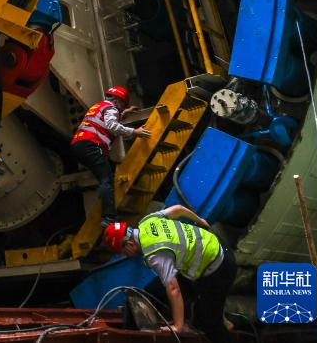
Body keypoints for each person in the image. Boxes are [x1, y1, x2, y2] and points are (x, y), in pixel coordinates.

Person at [103, 206, 237, 342]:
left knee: (208, 326)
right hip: (213, 246)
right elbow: (178, 209)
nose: (127, 255)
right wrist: (200, 221)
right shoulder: (147, 221)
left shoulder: (154, 253)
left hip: (219, 268)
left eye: (124, 252)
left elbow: (173, 289)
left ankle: (217, 322)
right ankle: (217, 316)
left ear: (130, 244)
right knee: (152, 293)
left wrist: (177, 326)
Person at [70, 86, 151, 224]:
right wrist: (134, 132)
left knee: (110, 169)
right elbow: (112, 125)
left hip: (80, 146)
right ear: (117, 101)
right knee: (106, 179)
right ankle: (109, 217)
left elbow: (109, 119)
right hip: (92, 145)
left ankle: (107, 204)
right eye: (123, 105)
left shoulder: (99, 106)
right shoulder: (112, 108)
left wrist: (125, 112)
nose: (121, 108)